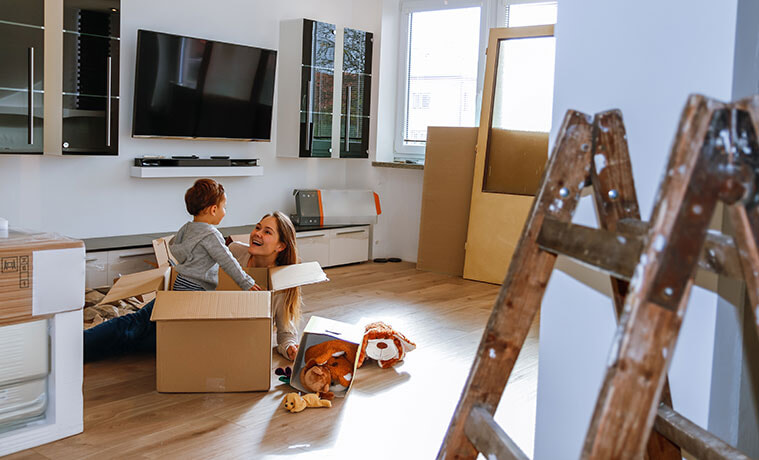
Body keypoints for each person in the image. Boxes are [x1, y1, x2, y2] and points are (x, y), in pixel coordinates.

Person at [84, 179, 259, 362]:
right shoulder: (211, 234)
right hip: (193, 292)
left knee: (142, 326)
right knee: (136, 322)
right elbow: (227, 261)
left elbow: (175, 245)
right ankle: (83, 343)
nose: (225, 211)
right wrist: (247, 283)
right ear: (213, 209)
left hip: (180, 284)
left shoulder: (186, 229)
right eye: (224, 206)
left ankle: (91, 347)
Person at [228, 211, 302, 361]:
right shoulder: (234, 252)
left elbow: (286, 333)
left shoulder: (281, 283)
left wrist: (290, 348)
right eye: (257, 228)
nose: (257, 234)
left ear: (280, 246)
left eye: (267, 232)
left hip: (248, 351)